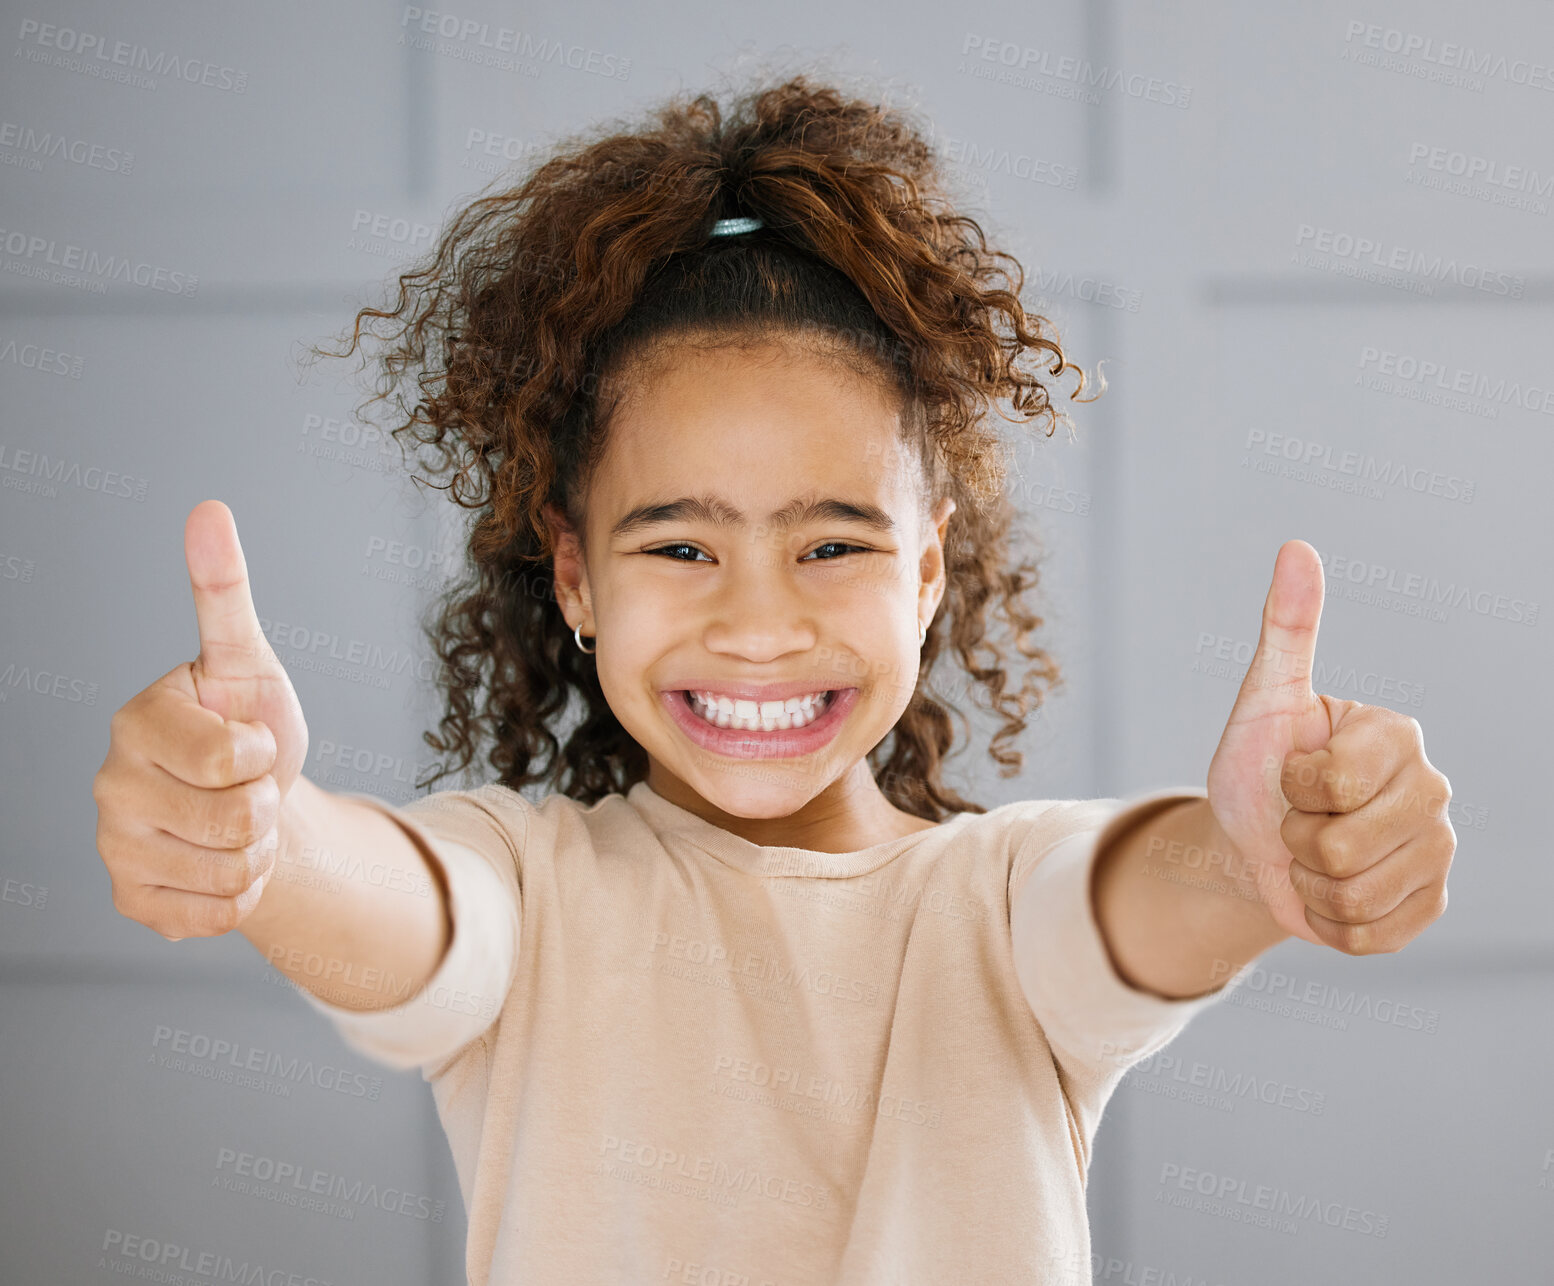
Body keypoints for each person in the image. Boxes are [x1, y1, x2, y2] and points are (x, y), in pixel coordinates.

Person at [93, 75, 1455, 1286]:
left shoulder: (995, 908)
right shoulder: (528, 892)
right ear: (572, 575)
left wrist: (1242, 857)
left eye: (831, 543)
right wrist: (262, 842)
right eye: (679, 543)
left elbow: (1126, 902)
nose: (757, 626)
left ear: (927, 569)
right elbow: (404, 916)